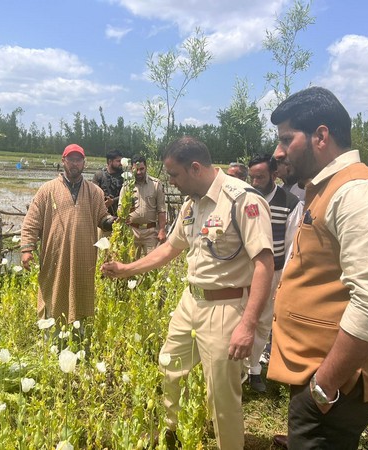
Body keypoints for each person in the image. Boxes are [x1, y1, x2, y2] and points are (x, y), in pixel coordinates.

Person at [101, 136, 274, 449]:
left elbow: (264, 264)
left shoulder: (241, 200)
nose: (171, 182)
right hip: (190, 301)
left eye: (175, 175)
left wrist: (248, 325)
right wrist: (127, 269)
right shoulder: (192, 204)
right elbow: (170, 248)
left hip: (226, 307)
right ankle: (175, 432)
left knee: (220, 394)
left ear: (195, 168)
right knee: (169, 366)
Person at [266, 87, 368, 450]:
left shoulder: (357, 193)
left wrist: (324, 386)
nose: (278, 152)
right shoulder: (327, 188)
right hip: (321, 376)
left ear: (321, 136)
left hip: (334, 385)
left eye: (286, 139)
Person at [21, 144, 115, 324]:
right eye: (70, 159)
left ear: (84, 163)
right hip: (55, 258)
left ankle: (80, 342)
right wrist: (27, 249)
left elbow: (102, 218)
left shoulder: (94, 192)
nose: (74, 163)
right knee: (54, 295)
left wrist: (113, 222)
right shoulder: (47, 190)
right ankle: (54, 341)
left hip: (84, 259)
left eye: (78, 160)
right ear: (63, 161)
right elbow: (31, 222)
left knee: (82, 300)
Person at [245, 153, 302, 393]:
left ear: (274, 175)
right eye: (252, 177)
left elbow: (291, 245)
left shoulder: (289, 202)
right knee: (238, 319)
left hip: (273, 273)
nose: (255, 182)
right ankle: (235, 369)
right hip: (244, 272)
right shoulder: (243, 199)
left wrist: (285, 280)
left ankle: (254, 369)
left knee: (262, 323)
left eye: (260, 177)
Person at [119, 155, 167, 258]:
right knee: (131, 265)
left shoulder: (156, 184)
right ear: (132, 169)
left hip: (150, 232)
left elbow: (161, 210)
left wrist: (162, 230)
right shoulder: (126, 186)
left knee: (152, 265)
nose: (139, 172)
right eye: (136, 169)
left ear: (146, 167)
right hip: (132, 232)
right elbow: (121, 210)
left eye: (142, 169)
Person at [92, 149, 124, 216]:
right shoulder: (99, 175)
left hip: (119, 215)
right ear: (110, 161)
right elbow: (93, 194)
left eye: (121, 161)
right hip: (102, 215)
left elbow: (127, 194)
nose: (121, 163)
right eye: (118, 161)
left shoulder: (124, 176)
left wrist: (113, 201)